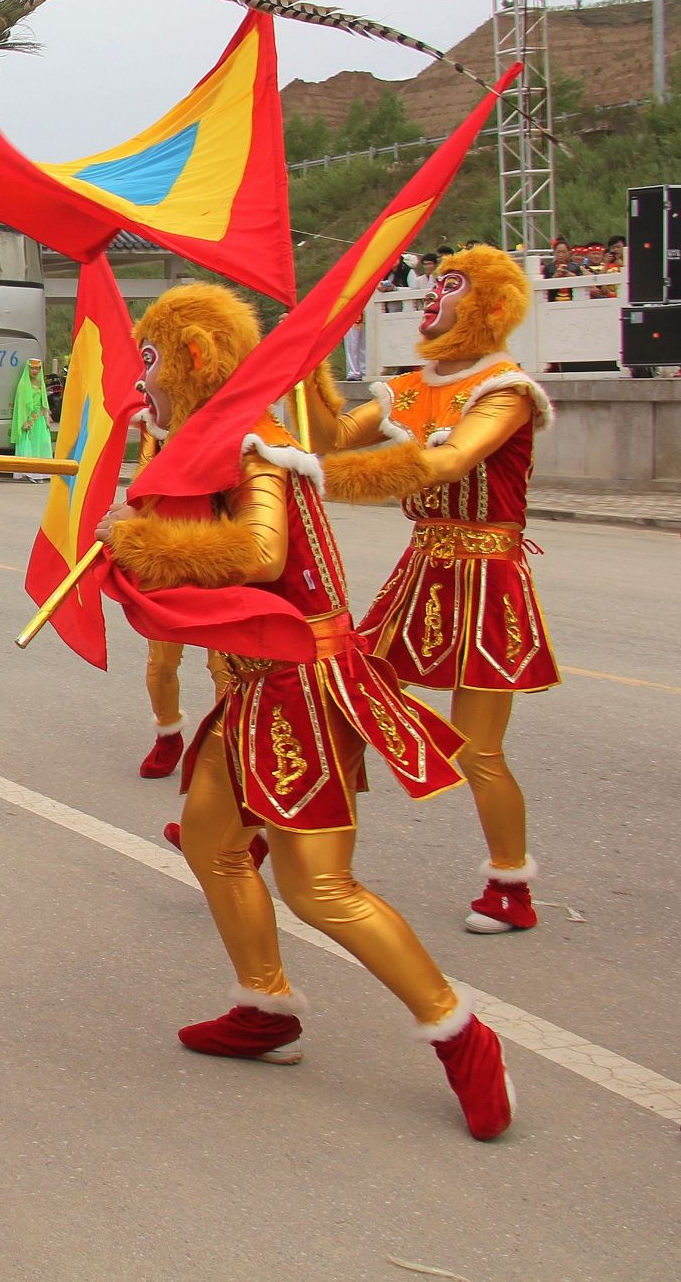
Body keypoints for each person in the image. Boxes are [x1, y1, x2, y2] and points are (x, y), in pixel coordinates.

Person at [97, 283, 513, 1141]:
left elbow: (259, 551)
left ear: (195, 360)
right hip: (252, 687)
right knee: (212, 841)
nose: (143, 383)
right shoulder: (200, 442)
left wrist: (141, 545)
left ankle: (460, 1032)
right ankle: (267, 1008)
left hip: (298, 687)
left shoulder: (255, 444)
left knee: (320, 887)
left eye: (151, 363)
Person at [313, 246, 559, 934]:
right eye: (434, 281)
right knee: (340, 700)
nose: (430, 294)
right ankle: (264, 831)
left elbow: (448, 459)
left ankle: (510, 886)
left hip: (487, 577)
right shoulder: (411, 384)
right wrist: (308, 364)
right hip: (420, 570)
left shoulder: (505, 390)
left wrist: (325, 483)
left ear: (490, 307)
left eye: (450, 285)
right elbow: (327, 436)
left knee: (477, 749)